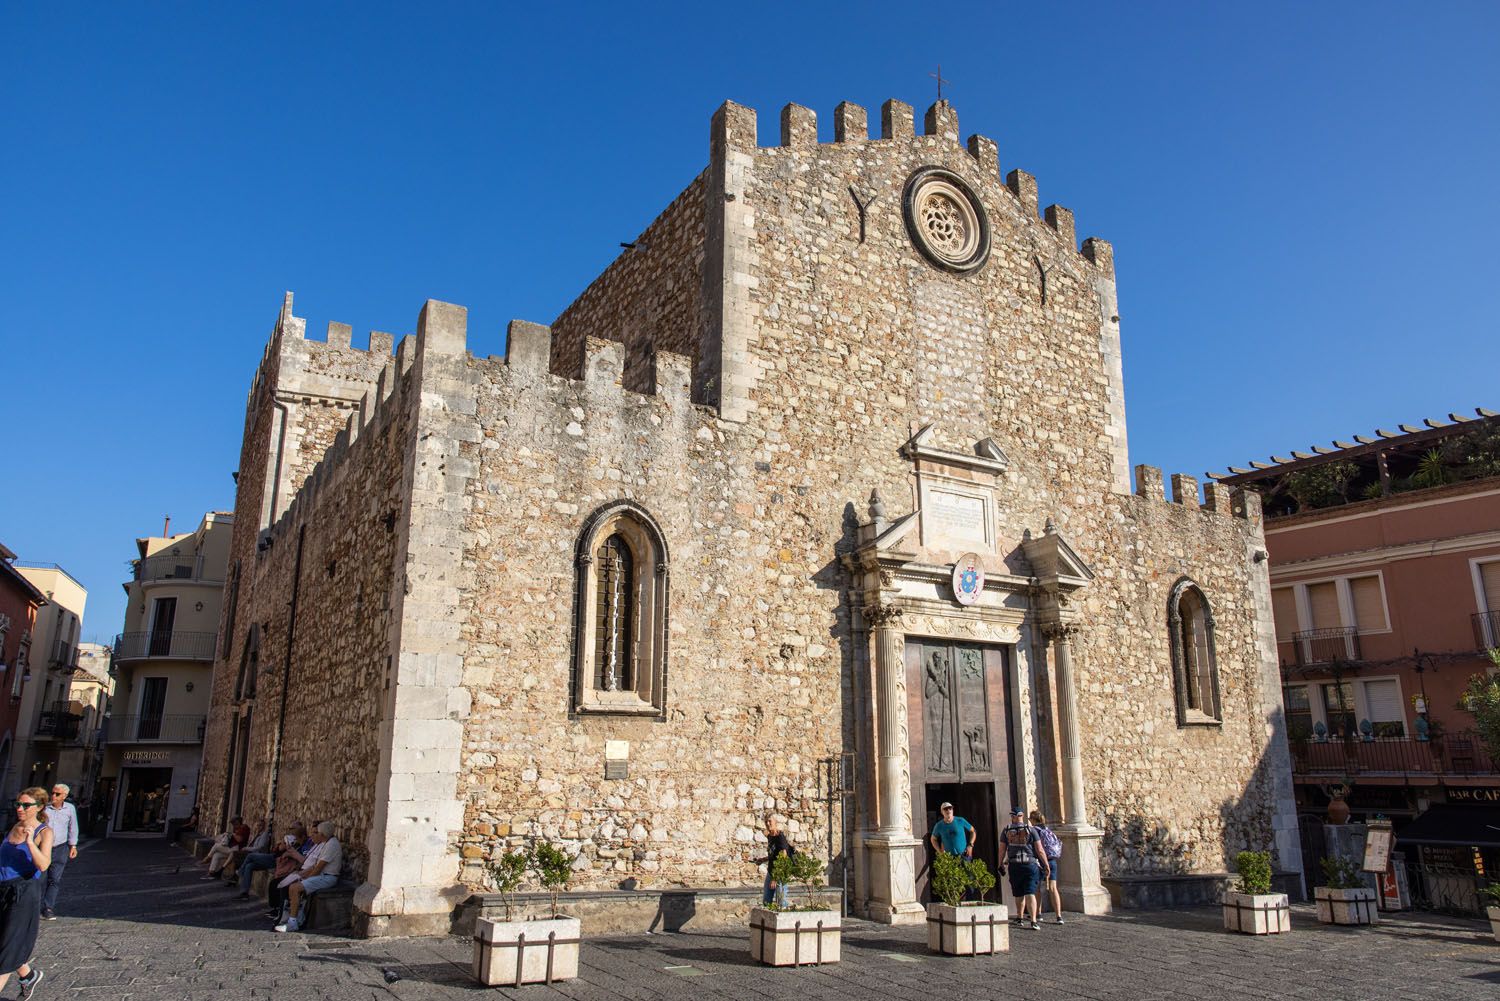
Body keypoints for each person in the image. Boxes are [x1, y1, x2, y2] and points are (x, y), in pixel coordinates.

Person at [0, 788, 54, 997]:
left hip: (23, 893)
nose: (20, 809)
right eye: (18, 805)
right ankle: (28, 975)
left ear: (39, 807)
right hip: (3, 890)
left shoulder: (44, 832)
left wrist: (31, 842)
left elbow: (43, 865)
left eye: (26, 805)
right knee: (4, 939)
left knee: (7, 946)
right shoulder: (14, 826)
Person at [275, 821, 343, 933]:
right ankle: (294, 919)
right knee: (292, 886)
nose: (314, 835)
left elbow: (318, 867)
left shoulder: (332, 845)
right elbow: (315, 866)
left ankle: (292, 923)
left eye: (318, 833)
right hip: (323, 875)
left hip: (328, 877)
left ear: (323, 834)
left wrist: (307, 878)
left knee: (295, 888)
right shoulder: (327, 843)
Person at [999, 807, 1049, 930]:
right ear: (1022, 816)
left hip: (1015, 865)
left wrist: (1000, 863)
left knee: (1018, 893)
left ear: (1013, 816)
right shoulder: (1031, 830)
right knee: (1030, 892)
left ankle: (1020, 917)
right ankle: (1033, 920)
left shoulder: (1006, 830)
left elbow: (1002, 849)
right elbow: (1040, 849)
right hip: (1030, 864)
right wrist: (1046, 864)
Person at [41, 783, 79, 920]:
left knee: (54, 879)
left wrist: (73, 845)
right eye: (52, 793)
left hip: (60, 847)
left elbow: (73, 827)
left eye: (57, 794)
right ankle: (35, 905)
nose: (53, 796)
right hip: (43, 847)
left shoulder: (70, 809)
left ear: (64, 796)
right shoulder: (45, 808)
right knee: (40, 878)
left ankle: (48, 907)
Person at [1030, 809, 1065, 924]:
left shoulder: (1034, 831)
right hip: (1052, 861)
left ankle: (1038, 914)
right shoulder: (1047, 829)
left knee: (1037, 888)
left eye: (1030, 819)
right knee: (1053, 888)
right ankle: (1058, 916)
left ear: (1034, 820)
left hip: (1040, 862)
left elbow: (1037, 848)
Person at [751, 815, 794, 908]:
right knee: (766, 901)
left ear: (776, 823)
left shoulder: (780, 837)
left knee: (781, 902)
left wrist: (775, 878)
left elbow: (783, 858)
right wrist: (763, 859)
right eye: (766, 821)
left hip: (780, 874)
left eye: (770, 821)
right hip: (771, 872)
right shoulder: (770, 836)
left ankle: (784, 921)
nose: (767, 823)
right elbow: (774, 855)